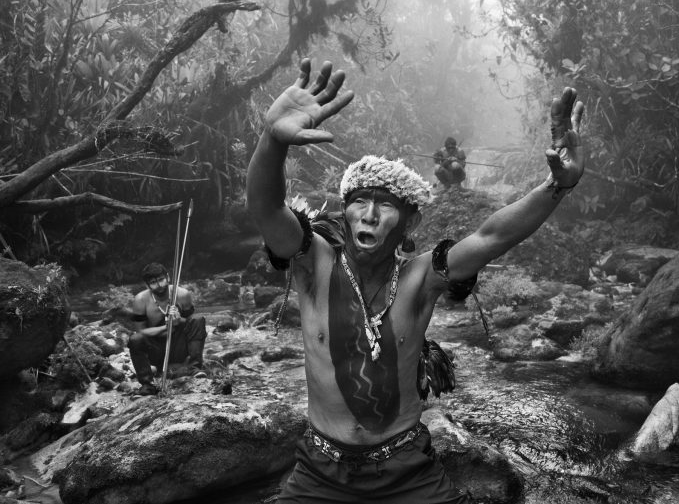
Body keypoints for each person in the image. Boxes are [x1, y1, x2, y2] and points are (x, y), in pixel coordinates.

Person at [246, 58, 584, 503]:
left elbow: (492, 235)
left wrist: (556, 187)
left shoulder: (422, 277)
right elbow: (268, 209)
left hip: (406, 472)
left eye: (384, 205)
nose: (368, 214)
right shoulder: (313, 262)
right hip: (320, 473)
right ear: (345, 210)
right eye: (359, 201)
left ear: (410, 220)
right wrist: (272, 141)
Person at [128, 262, 206, 395]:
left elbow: (191, 324)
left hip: (180, 347)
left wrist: (178, 320)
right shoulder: (140, 300)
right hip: (156, 351)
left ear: (168, 277)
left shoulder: (182, 294)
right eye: (153, 282)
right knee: (135, 339)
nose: (159, 286)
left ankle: (194, 368)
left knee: (198, 319)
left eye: (161, 280)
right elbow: (140, 332)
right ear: (147, 284)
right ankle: (147, 383)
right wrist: (166, 327)